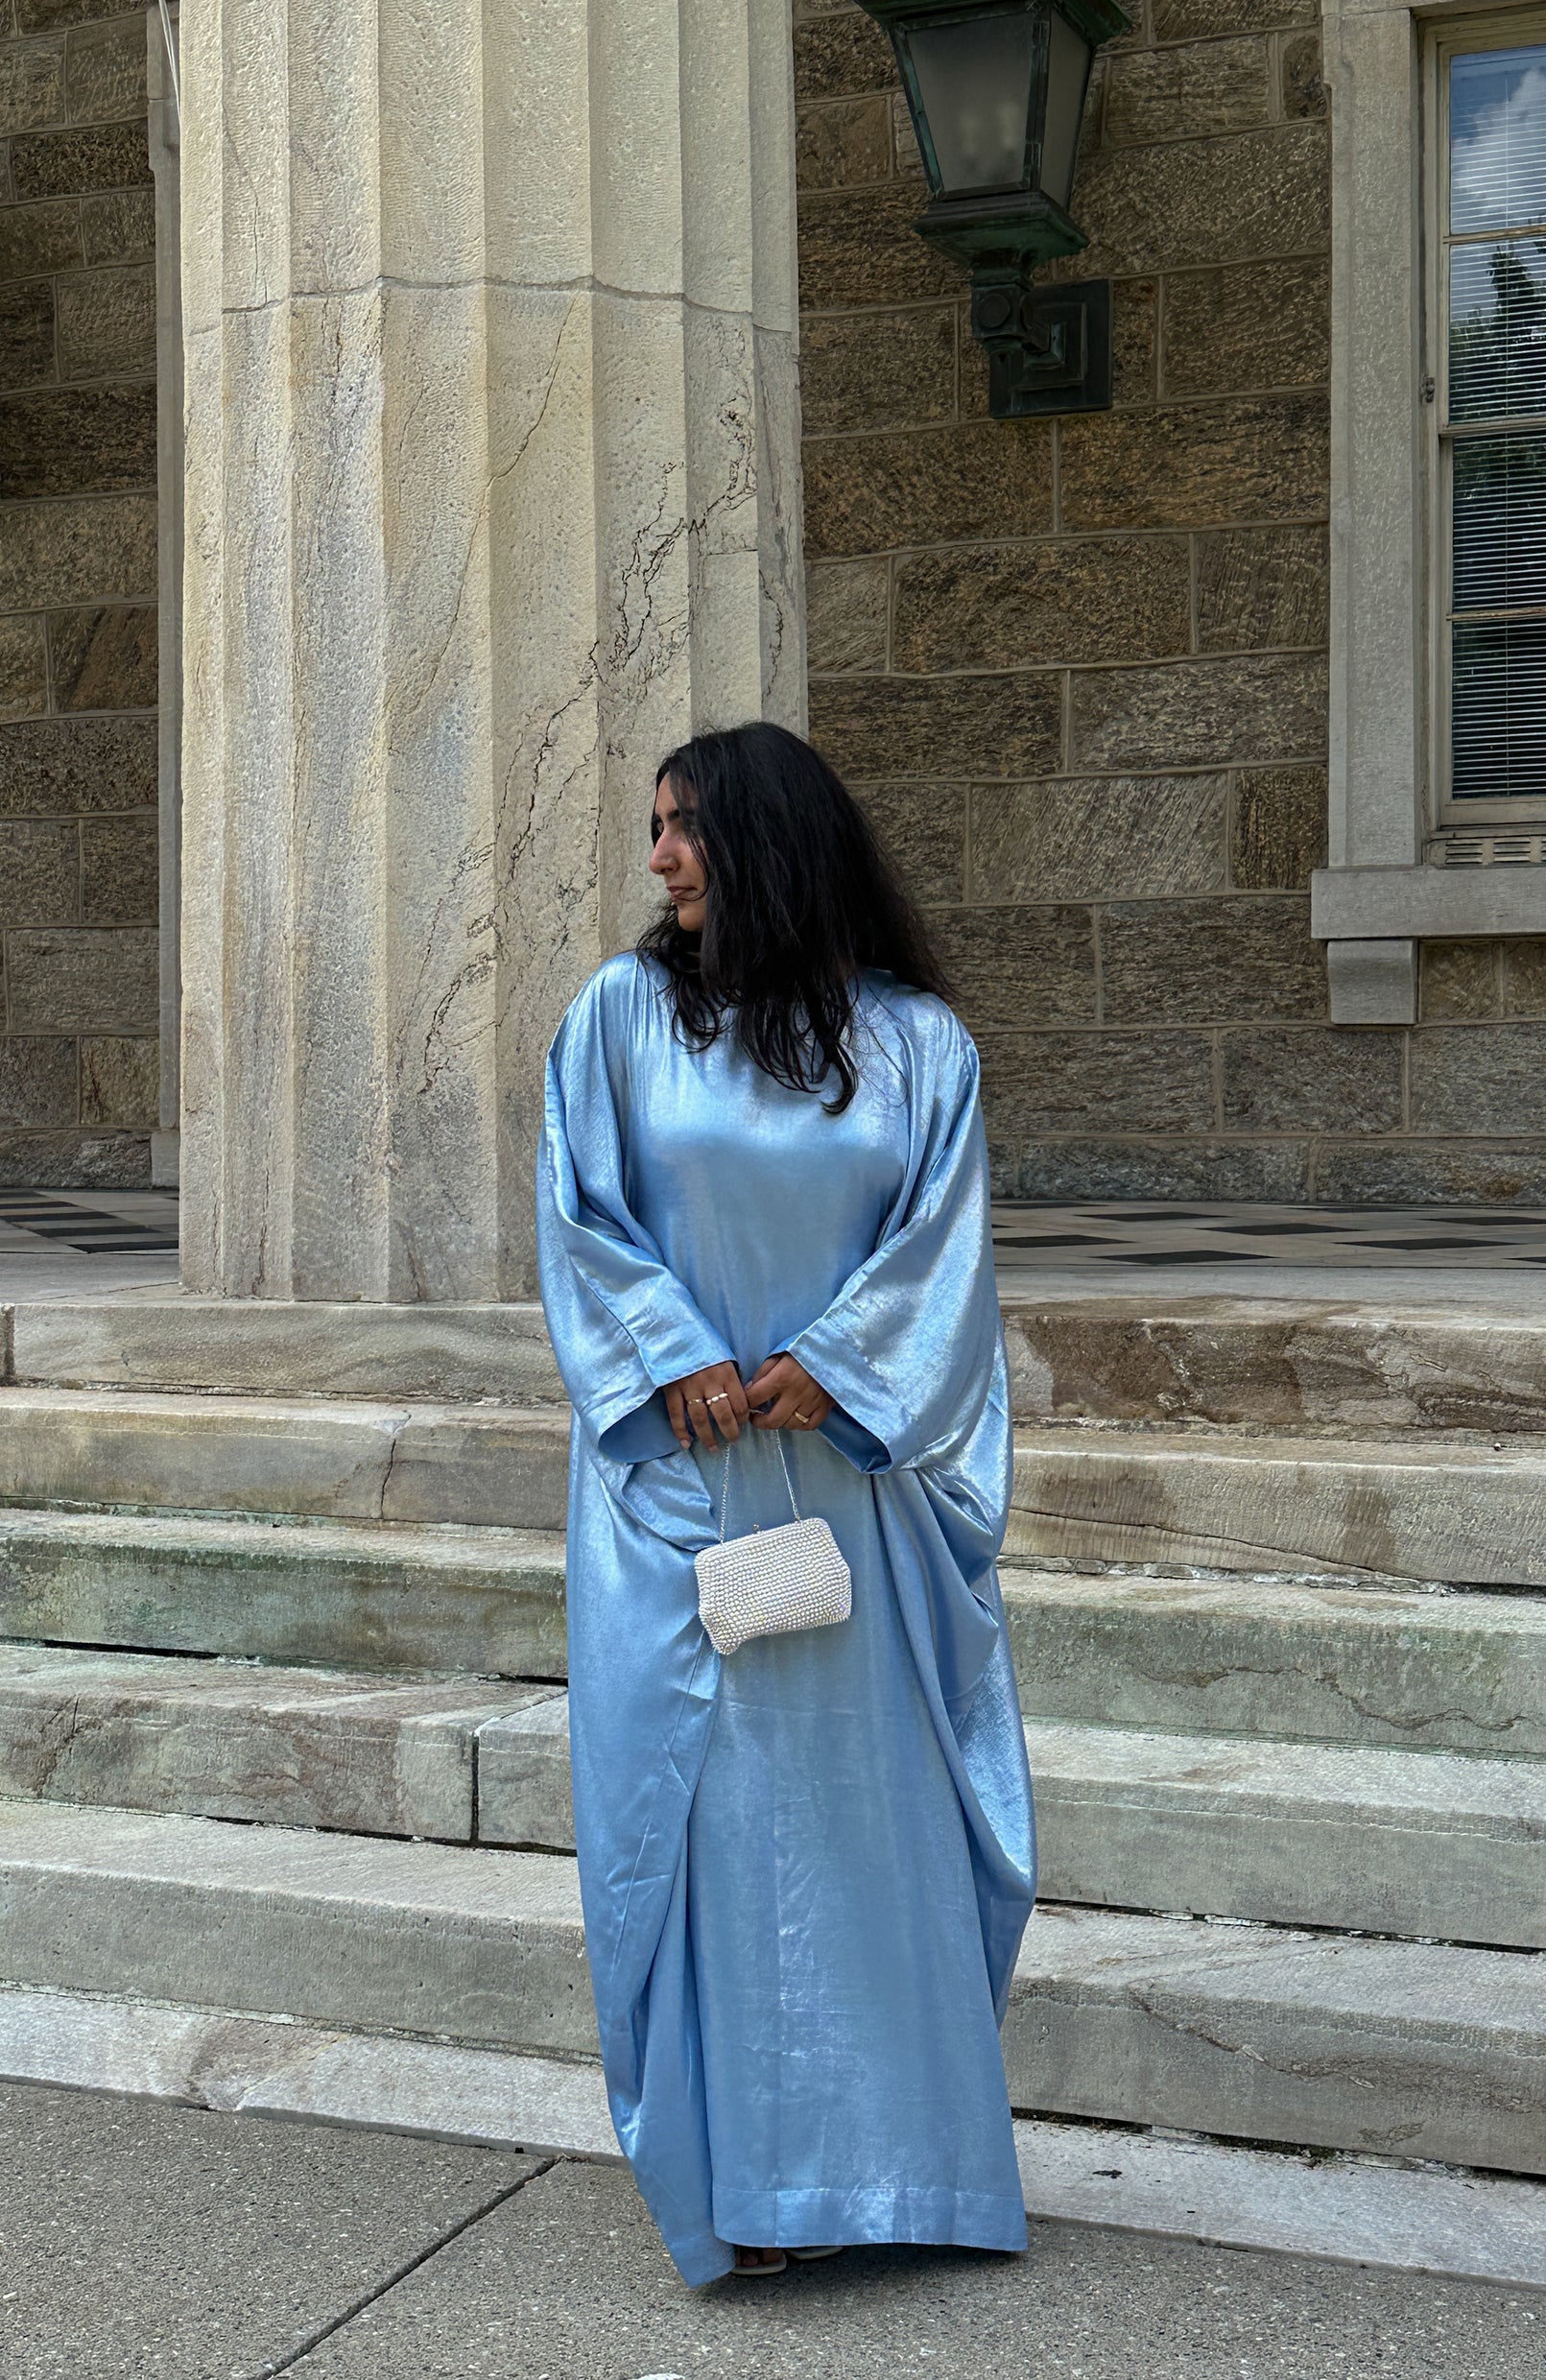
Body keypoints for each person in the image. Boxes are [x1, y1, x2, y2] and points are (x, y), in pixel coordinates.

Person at [535, 720, 1036, 2288]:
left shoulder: (920, 1047)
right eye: (658, 828)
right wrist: (668, 1352)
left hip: (851, 1500)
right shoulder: (620, 1019)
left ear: (769, 842)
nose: (661, 857)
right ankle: (735, 2183)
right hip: (680, 1490)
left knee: (868, 1831)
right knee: (696, 1833)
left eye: (685, 828)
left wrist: (840, 1363)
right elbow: (577, 1207)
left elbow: (943, 1256)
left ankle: (901, 2170)